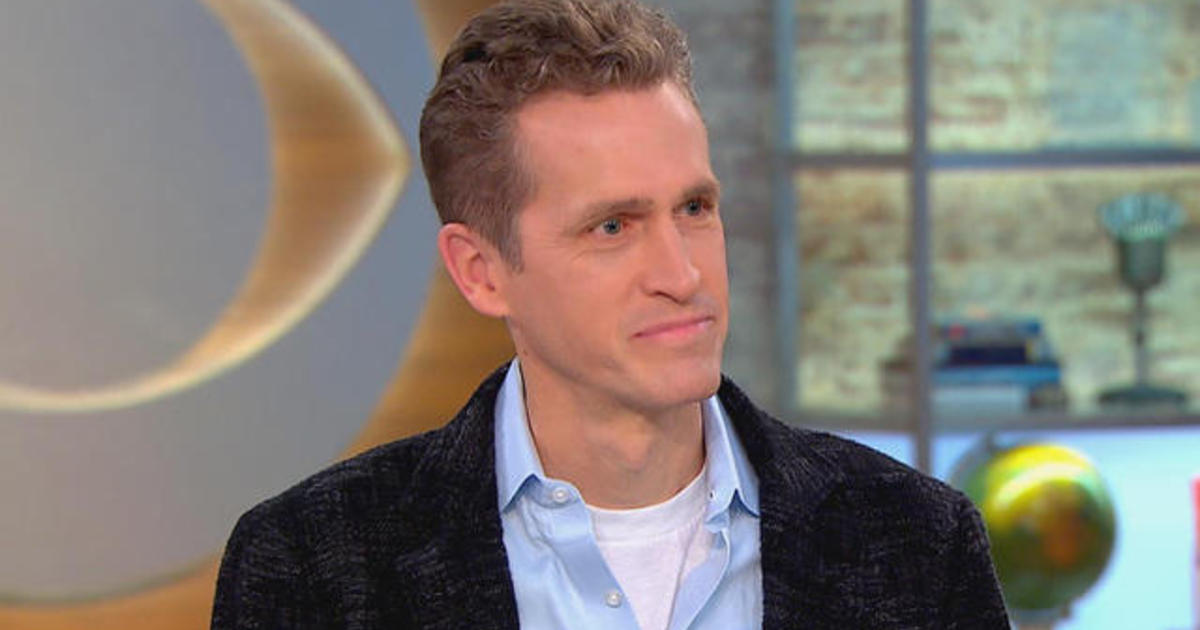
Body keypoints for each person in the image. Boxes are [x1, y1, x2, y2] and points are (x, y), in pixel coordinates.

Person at [211, 0, 1011, 628]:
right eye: (612, 227)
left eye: (694, 208)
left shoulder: (918, 542)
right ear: (481, 273)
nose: (682, 273)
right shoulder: (315, 565)